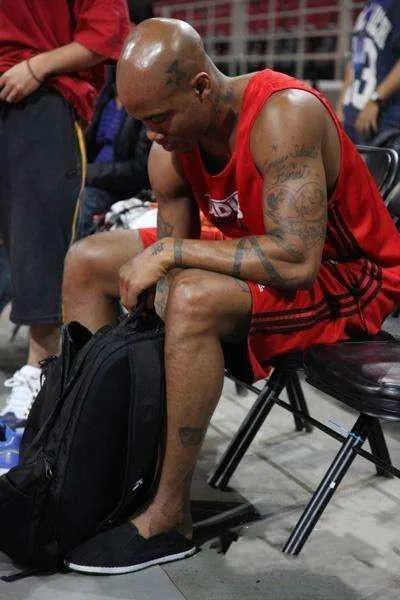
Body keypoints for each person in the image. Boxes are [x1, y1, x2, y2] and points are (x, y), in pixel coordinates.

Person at [62, 18, 400, 574]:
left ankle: (169, 517)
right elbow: (166, 269)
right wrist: (163, 271)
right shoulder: (171, 144)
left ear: (200, 87)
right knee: (90, 261)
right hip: (260, 245)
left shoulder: (284, 115)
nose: (151, 135)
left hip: (350, 274)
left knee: (192, 299)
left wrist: (171, 258)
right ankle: (103, 464)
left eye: (160, 118)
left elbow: (296, 259)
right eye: (141, 121)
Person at [0, 0, 130, 431]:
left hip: (37, 96)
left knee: (37, 242)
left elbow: (106, 34)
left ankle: (40, 372)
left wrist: (37, 66)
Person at [76, 0, 154, 239]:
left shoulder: (151, 92)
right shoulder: (108, 82)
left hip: (119, 188)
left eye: (122, 26)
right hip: (90, 177)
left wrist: (88, 173)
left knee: (80, 206)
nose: (114, 34)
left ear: (138, 29)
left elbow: (140, 169)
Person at [337, 0, 400, 144]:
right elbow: (355, 60)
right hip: (353, 119)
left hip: (383, 122)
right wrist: (341, 105)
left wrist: (375, 100)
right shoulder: (369, 7)